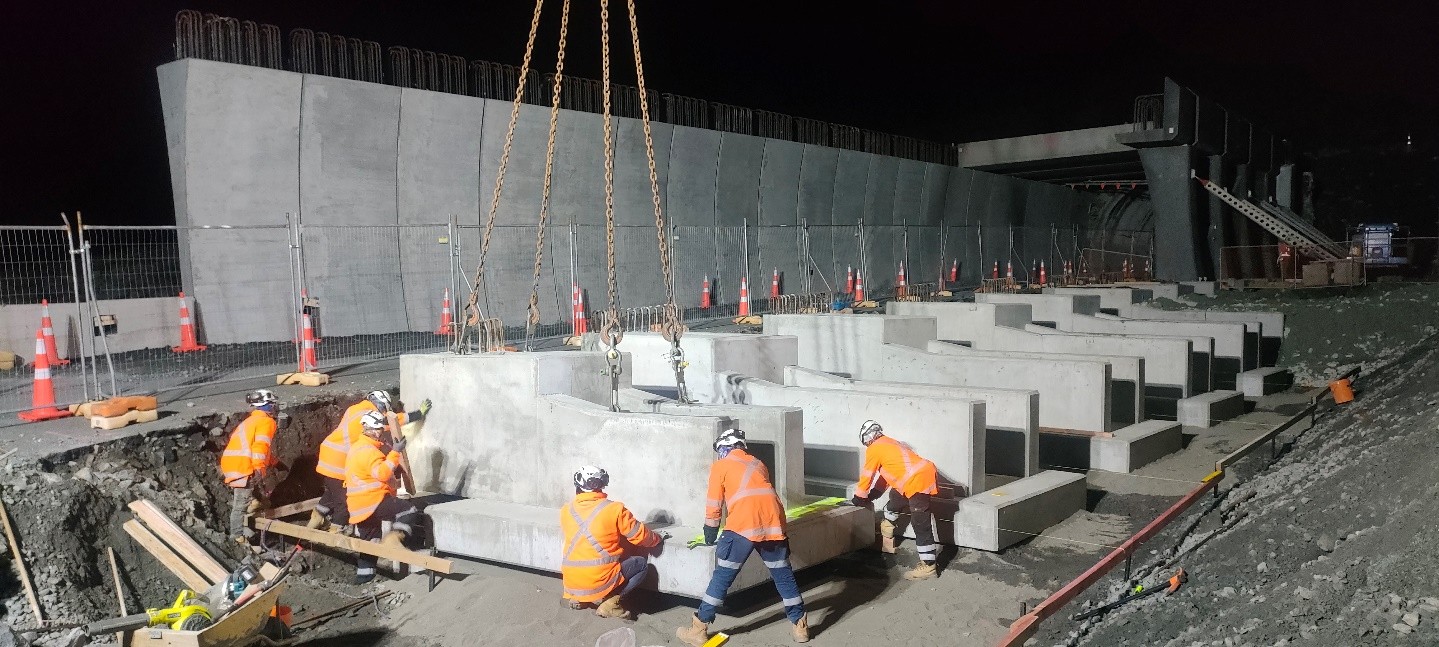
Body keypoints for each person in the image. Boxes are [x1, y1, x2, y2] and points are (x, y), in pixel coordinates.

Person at [677, 428, 809, 646]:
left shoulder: (721, 466)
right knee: (783, 575)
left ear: (725, 448)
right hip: (773, 522)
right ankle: (800, 627)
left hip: (743, 526)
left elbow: (714, 502)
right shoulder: (758, 463)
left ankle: (699, 629)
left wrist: (710, 531)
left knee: (722, 577)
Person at [310, 390, 429, 532]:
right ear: (380, 404)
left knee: (332, 493)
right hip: (339, 461)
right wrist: (416, 415)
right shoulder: (367, 417)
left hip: (328, 456)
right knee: (345, 504)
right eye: (384, 409)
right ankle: (335, 534)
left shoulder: (355, 409)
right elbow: (389, 422)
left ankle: (314, 521)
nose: (384, 412)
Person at [560, 465, 667, 620]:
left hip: (571, 582)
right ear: (601, 484)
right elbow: (640, 536)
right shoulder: (614, 509)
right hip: (598, 578)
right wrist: (657, 538)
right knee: (641, 564)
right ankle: (610, 603)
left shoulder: (566, 510)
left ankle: (580, 599)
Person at [849, 420, 940, 580]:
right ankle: (887, 533)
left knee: (920, 523)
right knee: (895, 500)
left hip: (917, 480)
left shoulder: (875, 448)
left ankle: (928, 565)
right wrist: (873, 495)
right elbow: (886, 476)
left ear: (867, 438)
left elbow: (867, 474)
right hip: (915, 477)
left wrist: (859, 496)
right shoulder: (889, 443)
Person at [345, 410, 421, 584]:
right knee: (408, 510)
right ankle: (393, 539)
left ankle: (364, 575)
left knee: (369, 540)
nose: (380, 432)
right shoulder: (369, 451)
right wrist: (395, 453)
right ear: (367, 429)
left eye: (380, 429)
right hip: (373, 501)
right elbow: (383, 473)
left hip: (358, 507)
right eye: (377, 429)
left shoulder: (357, 447)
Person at [220, 389, 280, 543]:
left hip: (234, 462)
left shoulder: (251, 421)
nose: (275, 407)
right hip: (242, 466)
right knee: (240, 503)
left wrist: (272, 461)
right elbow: (260, 446)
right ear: (266, 406)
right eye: (272, 404)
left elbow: (253, 445)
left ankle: (256, 504)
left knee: (252, 492)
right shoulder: (267, 422)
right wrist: (259, 466)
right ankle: (237, 536)